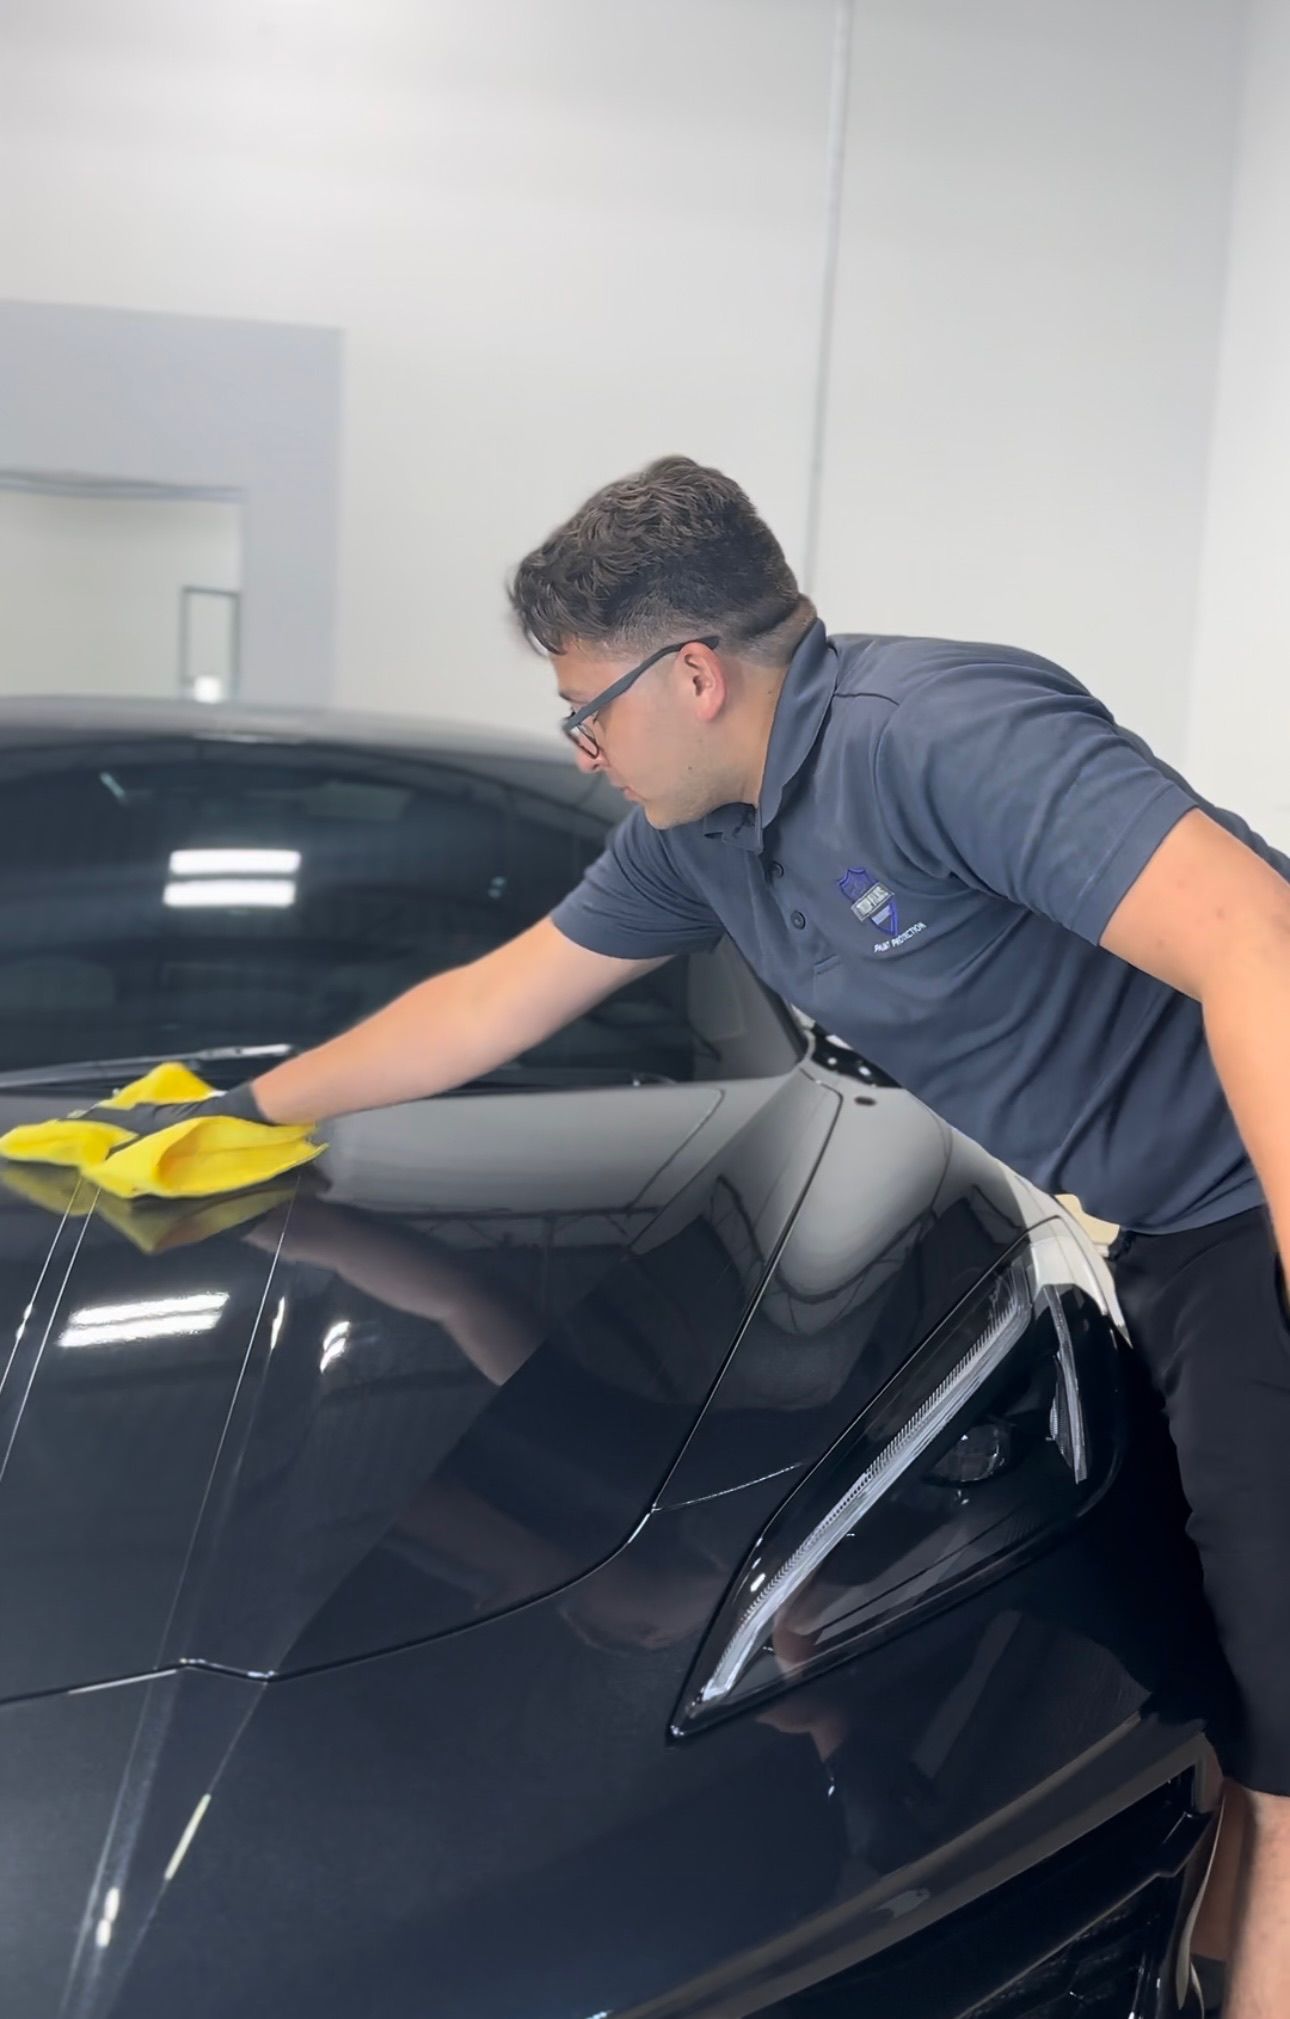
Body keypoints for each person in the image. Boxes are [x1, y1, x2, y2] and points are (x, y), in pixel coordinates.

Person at [102, 454, 1290, 2016]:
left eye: (586, 710)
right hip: (1176, 1231)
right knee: (1212, 1683)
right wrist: (241, 1113)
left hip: (1251, 1209)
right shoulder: (698, 841)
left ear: (693, 672)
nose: (585, 750)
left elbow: (1252, 939)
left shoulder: (934, 731)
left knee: (1282, 1743)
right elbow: (492, 1002)